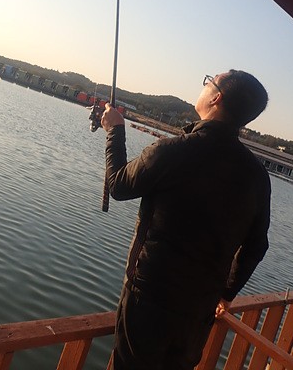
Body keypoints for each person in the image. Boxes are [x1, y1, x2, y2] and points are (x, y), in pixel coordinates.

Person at [101, 70, 271, 370]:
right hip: (199, 312)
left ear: (216, 98)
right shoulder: (257, 176)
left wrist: (115, 129)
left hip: (149, 300)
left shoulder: (172, 151)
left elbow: (118, 186)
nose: (204, 86)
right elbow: (257, 246)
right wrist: (226, 294)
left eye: (209, 81)